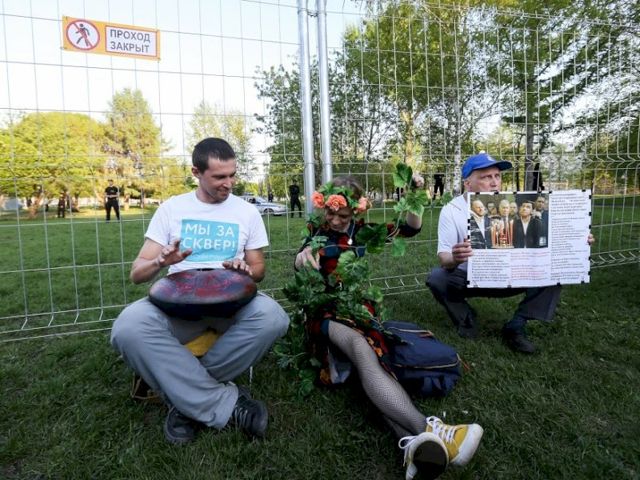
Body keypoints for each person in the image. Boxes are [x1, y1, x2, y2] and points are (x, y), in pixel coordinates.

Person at [294, 175, 483, 480]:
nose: (335, 220)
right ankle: (431, 429)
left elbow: (410, 227)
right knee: (360, 348)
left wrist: (416, 195)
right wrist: (301, 258)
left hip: (359, 309)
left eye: (344, 216)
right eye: (330, 212)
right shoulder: (315, 229)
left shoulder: (363, 232)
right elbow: (300, 257)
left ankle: (412, 446)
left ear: (357, 211)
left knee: (370, 365)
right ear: (324, 206)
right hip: (323, 312)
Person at [110, 138, 290, 444]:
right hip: (178, 305)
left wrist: (244, 269)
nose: (229, 184)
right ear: (196, 172)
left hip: (232, 303)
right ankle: (219, 402)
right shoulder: (172, 209)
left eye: (232, 175)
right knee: (127, 327)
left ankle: (183, 398)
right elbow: (137, 274)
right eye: (219, 177)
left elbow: (259, 269)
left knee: (273, 317)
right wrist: (160, 262)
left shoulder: (247, 212)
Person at [426, 152, 594, 354]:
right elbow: (444, 258)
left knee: (555, 271)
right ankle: (466, 318)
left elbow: (546, 238)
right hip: (472, 277)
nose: (494, 182)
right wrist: (455, 257)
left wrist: (576, 239)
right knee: (437, 278)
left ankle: (516, 325)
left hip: (515, 275)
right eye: (486, 177)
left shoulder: (514, 205)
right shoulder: (451, 210)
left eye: (497, 176)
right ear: (467, 183)